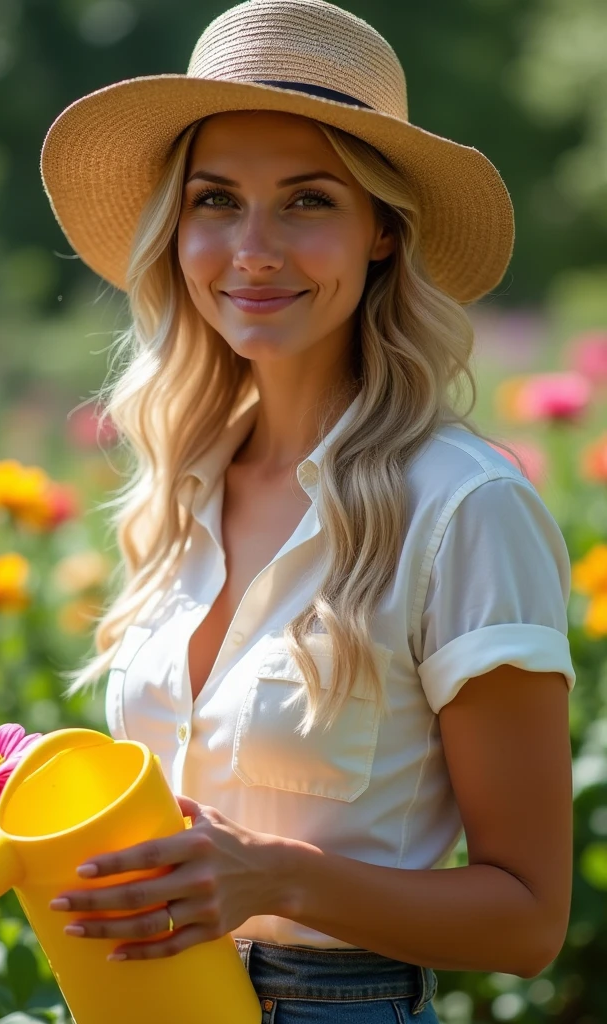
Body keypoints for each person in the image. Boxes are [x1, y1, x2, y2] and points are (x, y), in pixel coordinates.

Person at [39, 1, 576, 1020]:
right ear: (176, 225)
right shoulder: (177, 485)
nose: (251, 247)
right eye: (214, 199)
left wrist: (279, 878)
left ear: (381, 230)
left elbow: (527, 919)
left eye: (305, 201)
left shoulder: (464, 506)